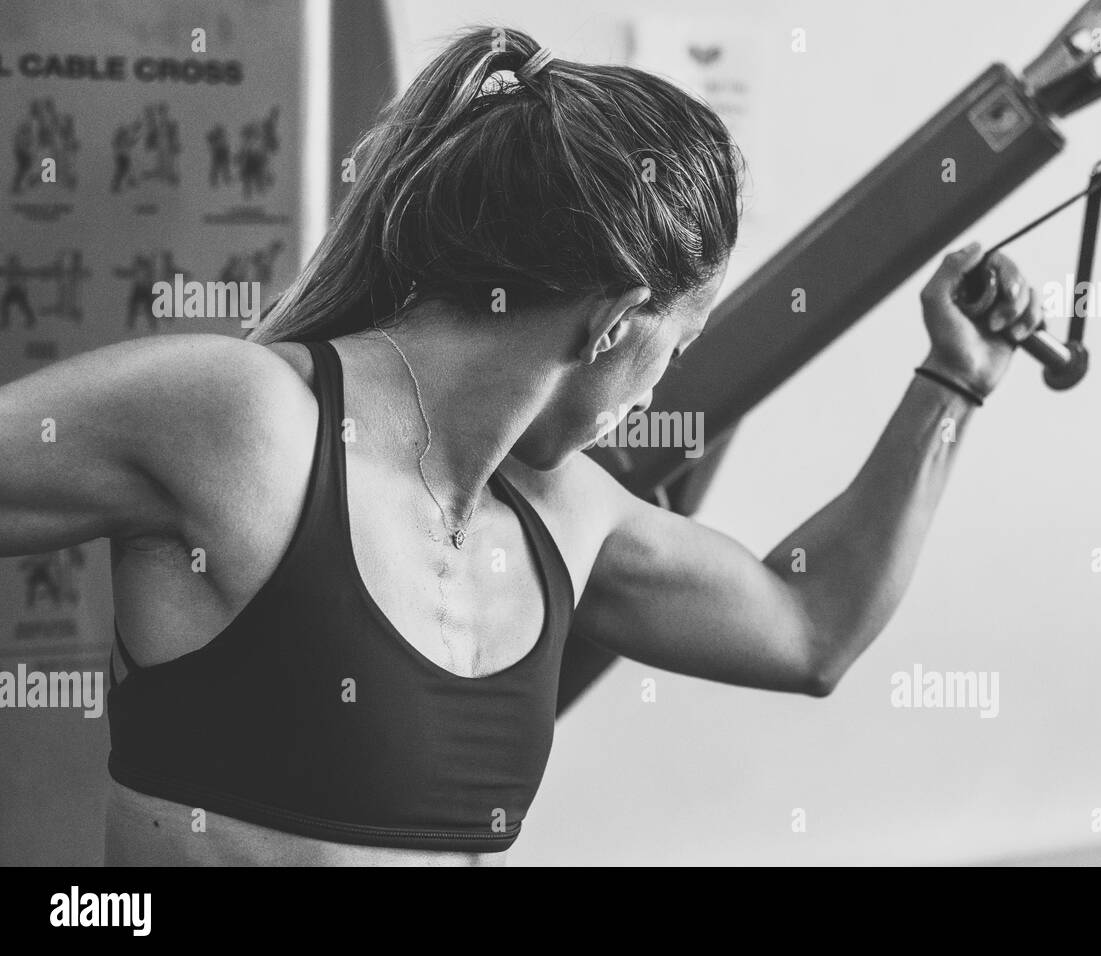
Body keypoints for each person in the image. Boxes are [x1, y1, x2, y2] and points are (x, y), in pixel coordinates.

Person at [0, 26, 1043, 866]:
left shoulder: (563, 513)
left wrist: (952, 381)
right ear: (614, 321)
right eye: (673, 348)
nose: (656, 388)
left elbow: (809, 629)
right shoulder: (246, 421)